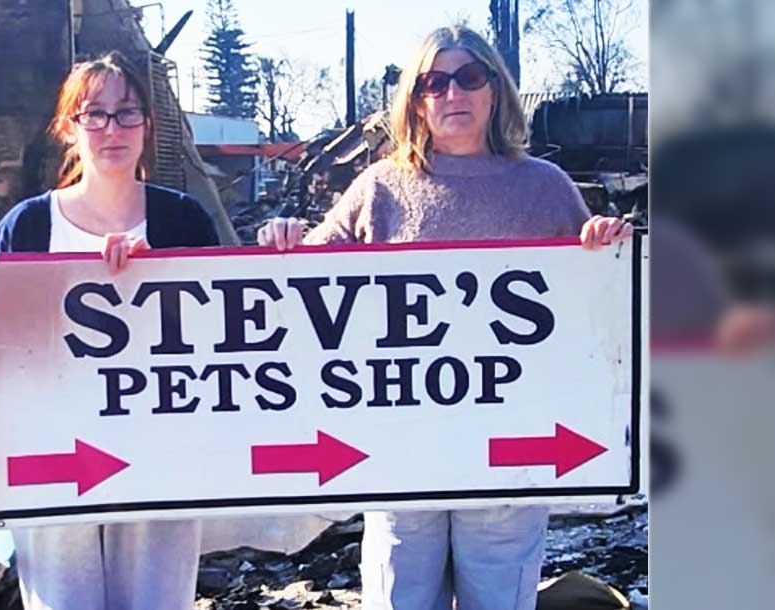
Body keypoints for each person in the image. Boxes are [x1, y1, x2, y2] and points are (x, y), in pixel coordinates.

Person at [257, 26, 632, 610]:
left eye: (469, 77)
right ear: (416, 99)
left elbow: (590, 307)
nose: (452, 93)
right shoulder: (378, 188)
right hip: (401, 449)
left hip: (509, 449)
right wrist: (286, 242)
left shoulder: (545, 187)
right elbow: (310, 284)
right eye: (435, 82)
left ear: (493, 92)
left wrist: (603, 246)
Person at [0, 51, 220, 610]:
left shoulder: (184, 221)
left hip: (161, 459)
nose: (111, 128)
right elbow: (0, 350)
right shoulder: (26, 226)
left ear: (148, 123)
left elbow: (226, 334)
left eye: (126, 113)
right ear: (69, 127)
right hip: (54, 461)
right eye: (94, 113)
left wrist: (157, 280)